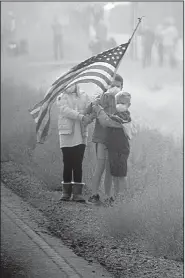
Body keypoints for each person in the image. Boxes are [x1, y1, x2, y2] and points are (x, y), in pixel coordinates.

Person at [87, 74, 124, 205]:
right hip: (101, 138)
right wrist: (95, 104)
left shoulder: (121, 102)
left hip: (113, 140)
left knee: (109, 168)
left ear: (122, 87)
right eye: (112, 85)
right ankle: (94, 194)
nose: (115, 88)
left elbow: (123, 119)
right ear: (108, 86)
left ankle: (108, 196)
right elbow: (95, 112)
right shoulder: (103, 97)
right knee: (100, 166)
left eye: (118, 86)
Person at [93, 91, 133, 203]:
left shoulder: (125, 116)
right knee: (115, 174)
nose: (120, 105)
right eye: (118, 102)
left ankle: (121, 198)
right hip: (114, 149)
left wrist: (98, 109)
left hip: (121, 150)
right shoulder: (117, 114)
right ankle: (115, 198)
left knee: (121, 175)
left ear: (128, 105)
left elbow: (107, 121)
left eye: (123, 103)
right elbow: (108, 118)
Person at [56, 84, 94, 202]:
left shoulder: (84, 95)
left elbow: (91, 109)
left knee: (78, 163)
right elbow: (65, 110)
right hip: (67, 134)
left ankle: (77, 194)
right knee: (67, 162)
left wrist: (91, 116)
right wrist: (81, 116)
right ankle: (66, 192)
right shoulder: (61, 96)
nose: (70, 85)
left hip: (81, 134)